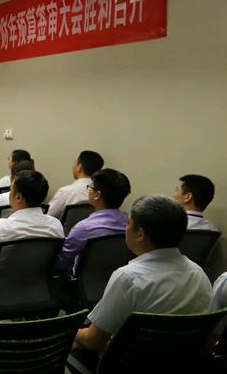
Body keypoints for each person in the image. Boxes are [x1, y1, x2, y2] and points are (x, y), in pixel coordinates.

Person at [74, 195, 211, 355]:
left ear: (140, 234)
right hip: (182, 364)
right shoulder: (199, 274)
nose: (126, 228)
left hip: (128, 367)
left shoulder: (128, 278)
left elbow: (93, 342)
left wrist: (69, 332)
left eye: (128, 223)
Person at [0, 170, 64, 277]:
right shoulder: (56, 225)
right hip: (38, 283)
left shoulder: (1, 228)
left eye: (11, 190)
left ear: (18, 197)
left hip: (0, 284)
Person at [57, 168, 131, 274]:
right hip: (119, 278)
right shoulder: (131, 223)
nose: (89, 190)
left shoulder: (84, 228)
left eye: (90, 187)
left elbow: (61, 261)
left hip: (84, 282)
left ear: (97, 195)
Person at [47, 150, 104, 219]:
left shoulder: (65, 192)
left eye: (75, 163)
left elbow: (46, 216)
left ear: (79, 167)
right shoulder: (105, 192)